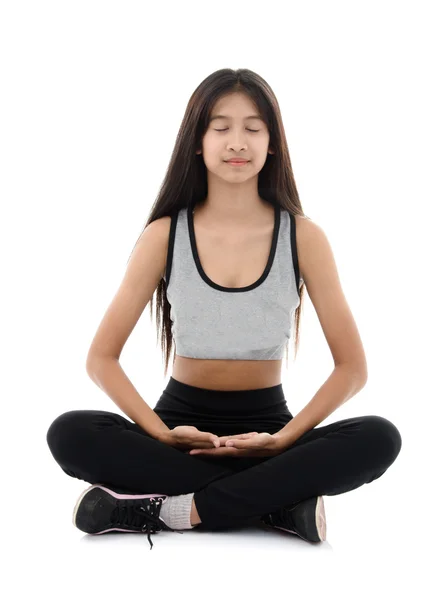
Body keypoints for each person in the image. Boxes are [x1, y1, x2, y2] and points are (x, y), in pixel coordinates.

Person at [46, 68, 402, 552]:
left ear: (272, 142)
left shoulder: (303, 237)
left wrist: (285, 440)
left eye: (253, 128)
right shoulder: (164, 235)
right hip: (180, 427)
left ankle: (176, 509)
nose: (238, 141)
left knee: (379, 436)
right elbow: (100, 359)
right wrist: (161, 433)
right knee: (70, 432)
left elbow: (352, 369)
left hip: (269, 429)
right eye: (221, 127)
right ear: (198, 140)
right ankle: (274, 502)